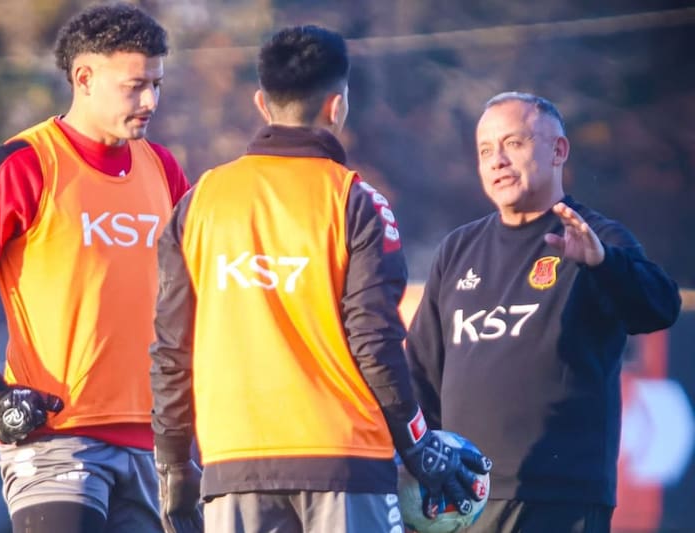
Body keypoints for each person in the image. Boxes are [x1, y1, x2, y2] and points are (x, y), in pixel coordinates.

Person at [149, 24, 491, 533]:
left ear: (262, 104)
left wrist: (174, 465)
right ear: (337, 106)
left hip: (232, 465)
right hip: (344, 461)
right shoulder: (358, 201)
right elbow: (375, 341)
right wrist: (417, 443)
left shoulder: (199, 203)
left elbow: (172, 348)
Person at [0, 3, 190, 532]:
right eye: (135, 86)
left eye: (157, 83)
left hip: (156, 445)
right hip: (56, 441)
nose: (151, 100)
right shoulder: (23, 164)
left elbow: (202, 287)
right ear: (84, 78)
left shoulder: (164, 168)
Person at [404, 91, 682, 533]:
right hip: (463, 499)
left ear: (558, 151)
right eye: (484, 150)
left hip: (559, 497)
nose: (497, 160)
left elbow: (660, 308)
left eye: (513, 143)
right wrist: (419, 465)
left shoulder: (595, 237)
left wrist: (603, 262)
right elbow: (420, 373)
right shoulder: (457, 250)